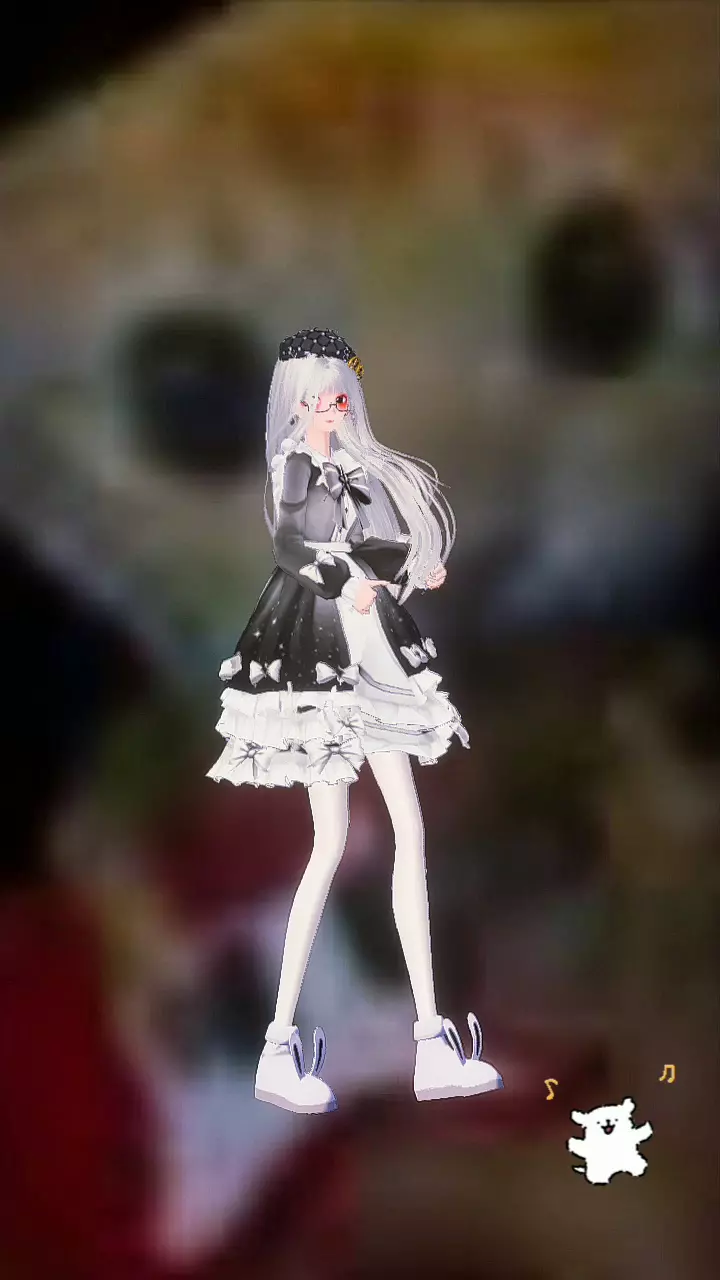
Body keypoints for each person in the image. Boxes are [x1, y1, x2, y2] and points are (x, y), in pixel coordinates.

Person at [207, 328, 502, 1112]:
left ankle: (430, 1038)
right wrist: (348, 580)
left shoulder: (348, 468)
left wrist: (406, 571)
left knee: (405, 832)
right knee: (331, 843)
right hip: (316, 648)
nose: (331, 408)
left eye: (339, 396)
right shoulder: (297, 466)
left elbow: (360, 547)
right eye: (318, 398)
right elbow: (292, 547)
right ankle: (279, 1045)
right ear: (295, 402)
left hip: (364, 639)